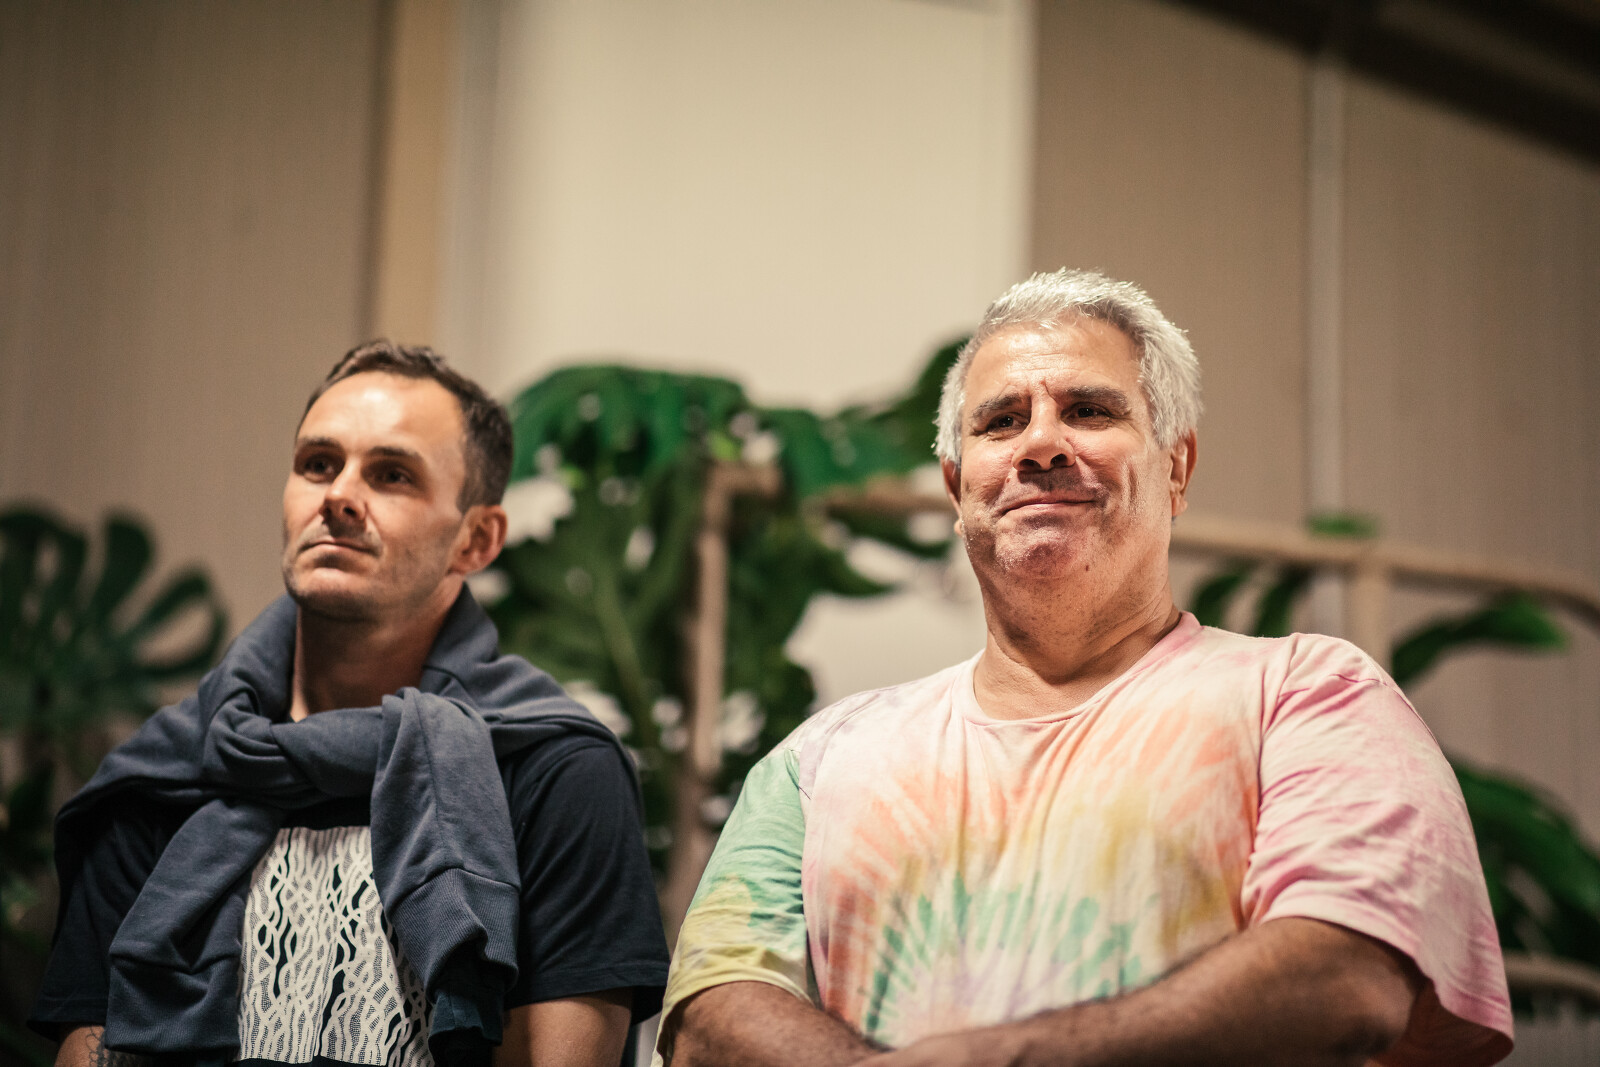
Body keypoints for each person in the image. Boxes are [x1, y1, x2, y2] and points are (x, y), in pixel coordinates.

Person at [656, 270, 1513, 1067]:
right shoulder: (816, 761)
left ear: (1177, 466)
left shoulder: (1310, 695)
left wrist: (992, 1059)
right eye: (1001, 421)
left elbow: (1348, 974)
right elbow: (706, 1012)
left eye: (1090, 411)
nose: (1040, 444)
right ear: (956, 487)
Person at [30, 343, 670, 1067]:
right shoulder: (162, 773)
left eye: (392, 474)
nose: (338, 495)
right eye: (317, 464)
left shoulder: (557, 771)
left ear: (476, 539)